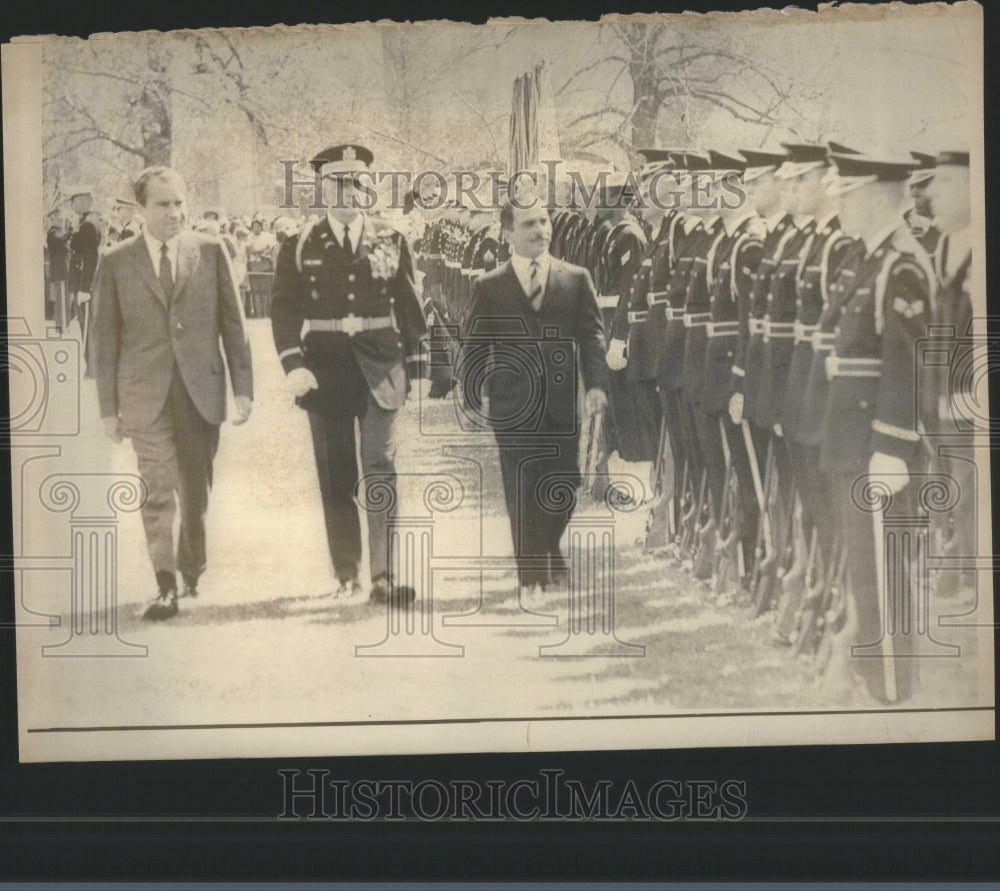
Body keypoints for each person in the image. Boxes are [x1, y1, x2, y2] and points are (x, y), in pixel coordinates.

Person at [91, 166, 254, 621]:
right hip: (143, 395)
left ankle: (191, 565)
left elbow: (234, 326)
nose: (174, 213)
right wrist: (108, 409)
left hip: (200, 390)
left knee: (195, 493)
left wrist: (244, 390)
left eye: (180, 202)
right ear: (141, 209)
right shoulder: (116, 260)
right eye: (163, 204)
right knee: (157, 489)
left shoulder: (210, 250)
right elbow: (103, 341)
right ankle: (165, 584)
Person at [270, 144, 428, 606]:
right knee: (337, 472)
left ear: (367, 188)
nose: (347, 193)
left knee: (379, 464)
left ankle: (384, 574)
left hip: (381, 366)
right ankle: (347, 573)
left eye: (356, 183)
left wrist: (417, 368)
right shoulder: (301, 244)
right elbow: (282, 307)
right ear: (322, 189)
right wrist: (292, 362)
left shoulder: (390, 238)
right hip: (326, 371)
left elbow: (409, 305)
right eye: (337, 184)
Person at [461, 198, 610, 595]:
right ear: (507, 232)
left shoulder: (575, 278)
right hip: (512, 404)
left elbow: (593, 336)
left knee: (564, 483)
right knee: (522, 483)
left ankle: (549, 549)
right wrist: (472, 398)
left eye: (544, 221)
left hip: (562, 403)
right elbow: (475, 346)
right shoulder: (490, 285)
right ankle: (532, 573)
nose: (540, 230)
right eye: (528, 224)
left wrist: (596, 384)